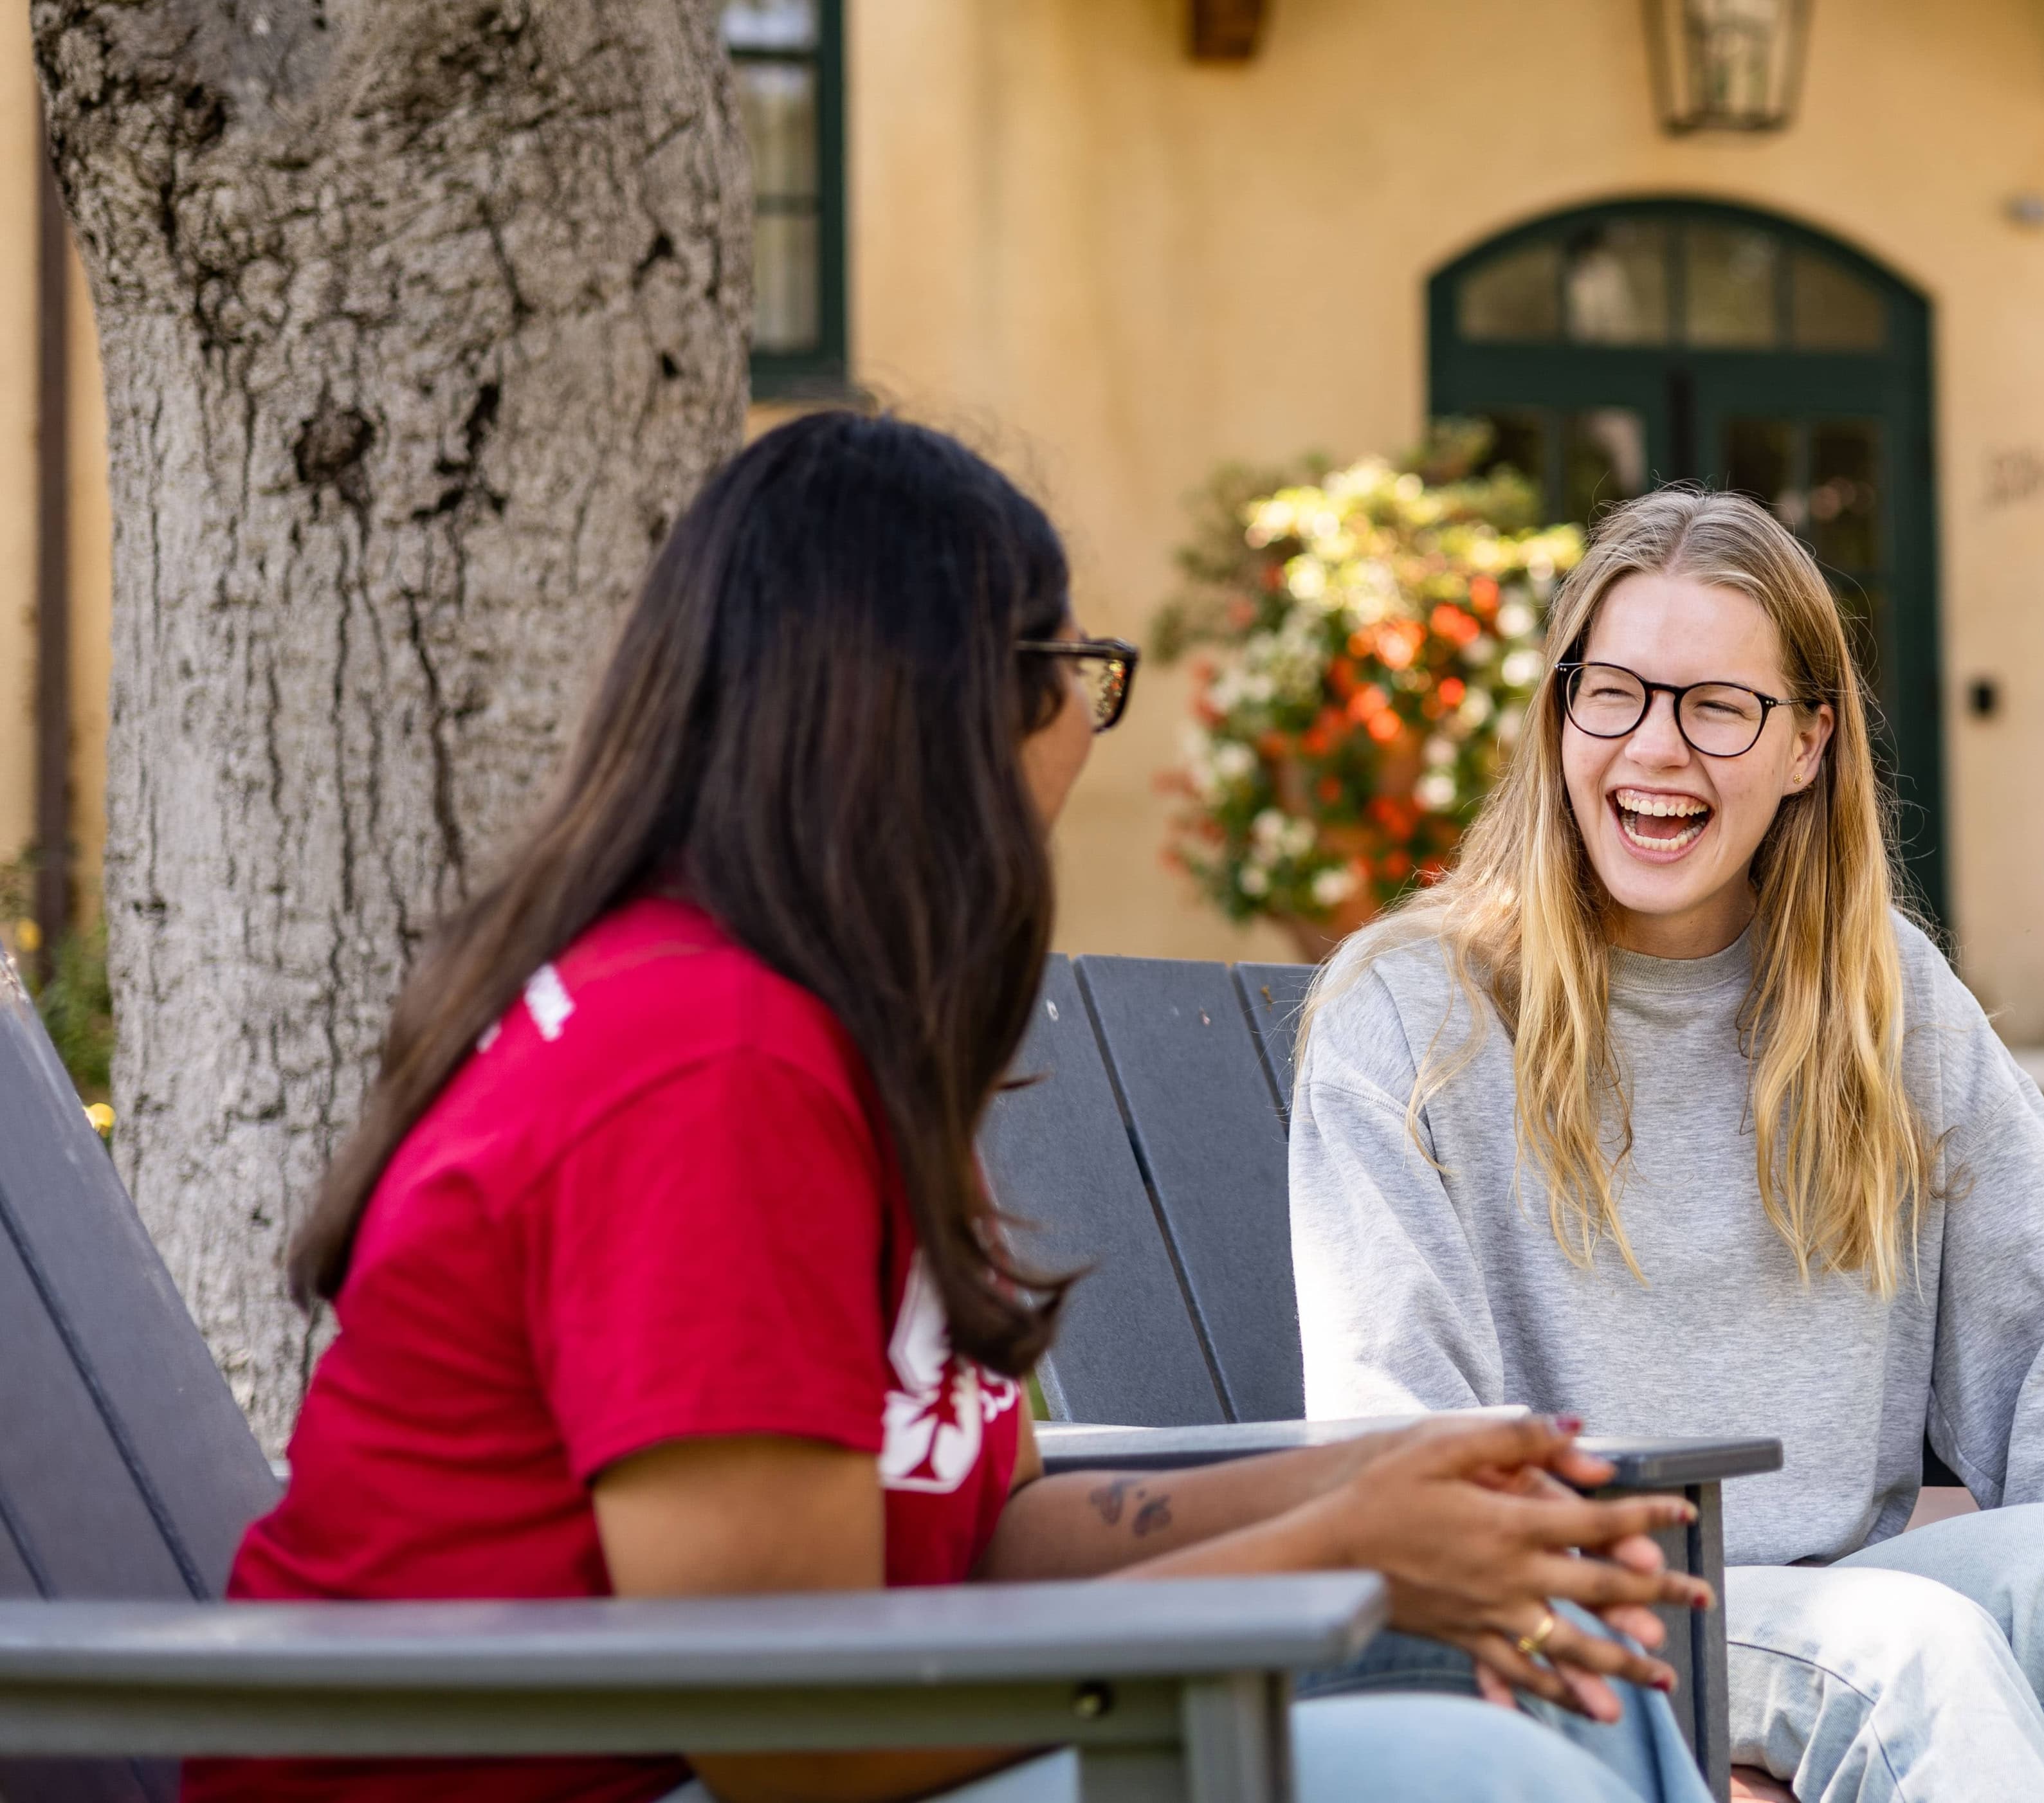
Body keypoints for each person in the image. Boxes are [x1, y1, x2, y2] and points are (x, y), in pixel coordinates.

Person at [179, 410, 1723, 1803]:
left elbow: (972, 1531)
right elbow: (795, 1725)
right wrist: (1339, 1557)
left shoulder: (817, 1030)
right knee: (1463, 1773)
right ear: (933, 710)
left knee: (1555, 1648)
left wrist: (1382, 1486)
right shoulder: (705, 1067)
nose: (1084, 726)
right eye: (1075, 670)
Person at [1287, 488, 2044, 1803]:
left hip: (1843, 1599)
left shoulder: (1887, 999)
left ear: (1808, 745)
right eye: (1615, 694)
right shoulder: (1412, 1015)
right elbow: (1405, 1439)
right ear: (1558, 717)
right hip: (1598, 1617)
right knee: (1923, 1649)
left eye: (1719, 706)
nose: (1656, 749)